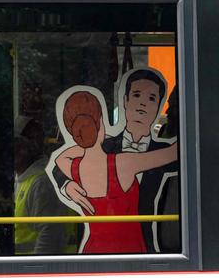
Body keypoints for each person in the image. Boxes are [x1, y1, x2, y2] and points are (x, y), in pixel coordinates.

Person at [52, 68, 176, 252]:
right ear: (125, 101)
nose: (142, 104)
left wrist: (90, 143)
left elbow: (61, 160)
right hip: (134, 250)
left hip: (153, 245)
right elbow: (56, 171)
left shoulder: (163, 151)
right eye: (136, 95)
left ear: (159, 107)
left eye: (151, 98)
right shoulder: (115, 153)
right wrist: (65, 185)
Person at [13, 118, 72, 254]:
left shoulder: (42, 182)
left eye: (17, 146)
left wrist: (35, 270)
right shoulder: (21, 178)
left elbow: (50, 234)